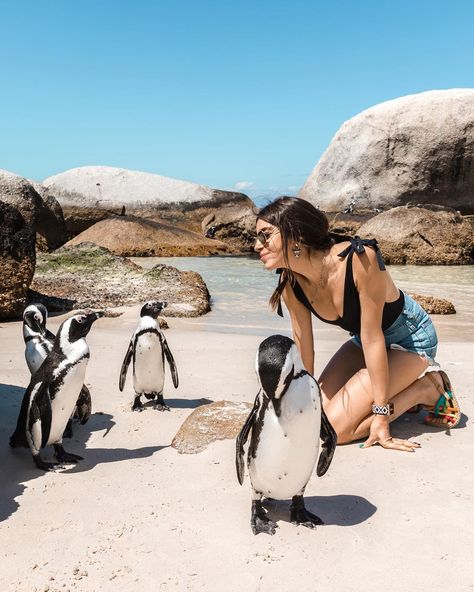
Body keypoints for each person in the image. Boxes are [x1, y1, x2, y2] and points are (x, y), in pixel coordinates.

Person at [255, 196, 461, 452]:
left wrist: (382, 415)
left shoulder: (360, 260)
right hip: (362, 343)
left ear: (295, 233)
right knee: (315, 417)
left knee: (335, 432)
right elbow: (304, 346)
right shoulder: (291, 282)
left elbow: (373, 337)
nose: (256, 245)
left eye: (265, 235)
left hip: (409, 342)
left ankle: (427, 389)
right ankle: (400, 387)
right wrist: (301, 398)